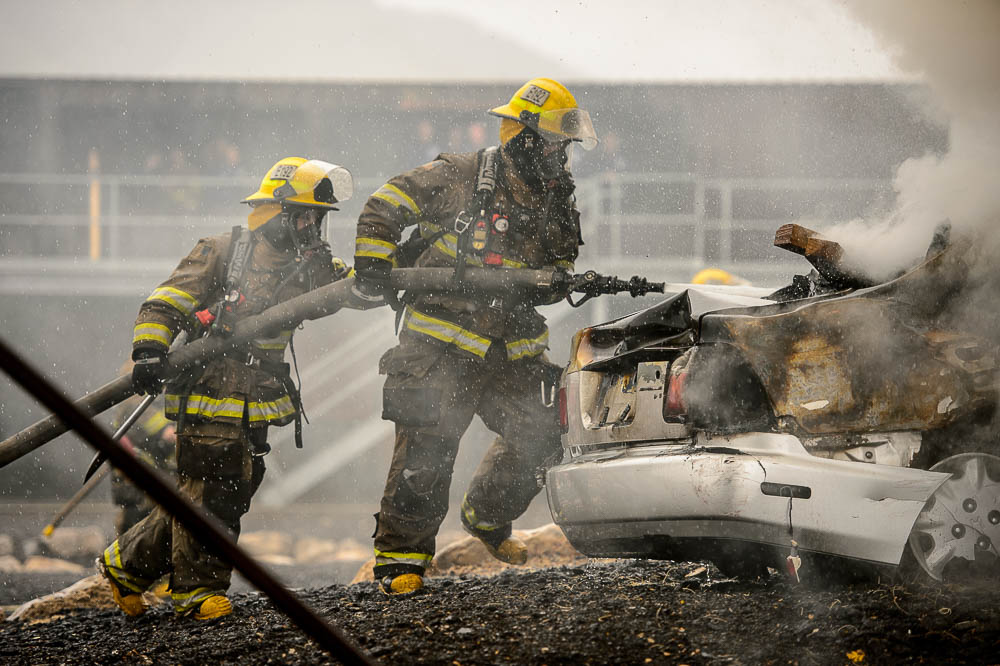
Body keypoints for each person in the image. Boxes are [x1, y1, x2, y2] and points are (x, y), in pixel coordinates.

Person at [352, 77, 598, 595]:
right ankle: (401, 565)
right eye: (556, 143)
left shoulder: (557, 196)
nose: (562, 156)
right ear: (526, 138)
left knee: (545, 430)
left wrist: (555, 279)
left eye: (566, 147)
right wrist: (373, 260)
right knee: (426, 452)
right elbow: (385, 202)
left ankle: (485, 517)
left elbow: (555, 271)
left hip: (510, 349)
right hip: (439, 346)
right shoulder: (461, 174)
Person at [100, 157, 354, 620]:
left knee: (229, 489)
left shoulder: (308, 264)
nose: (311, 226)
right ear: (276, 212)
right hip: (209, 389)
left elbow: (332, 300)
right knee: (211, 491)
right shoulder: (222, 250)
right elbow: (166, 300)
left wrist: (351, 273)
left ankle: (127, 565)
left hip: (256, 398)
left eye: (316, 218)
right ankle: (196, 593)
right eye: (303, 215)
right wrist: (149, 352)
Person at [108, 381, 177, 536]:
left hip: (139, 488)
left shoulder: (136, 403)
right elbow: (167, 434)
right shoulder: (135, 406)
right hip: (140, 489)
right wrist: (168, 431)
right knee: (139, 535)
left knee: (136, 534)